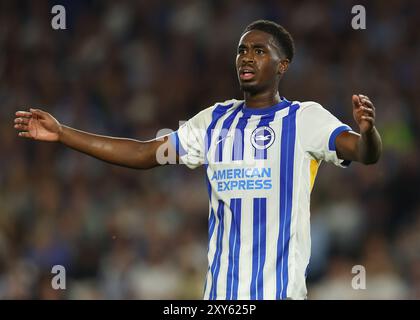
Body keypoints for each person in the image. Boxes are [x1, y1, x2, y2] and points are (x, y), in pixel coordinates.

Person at [13, 20, 382, 300]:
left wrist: (367, 131)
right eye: (241, 50)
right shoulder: (213, 121)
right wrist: (64, 134)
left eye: (258, 50)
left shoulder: (305, 119)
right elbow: (145, 153)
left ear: (282, 65)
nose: (246, 57)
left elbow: (364, 153)